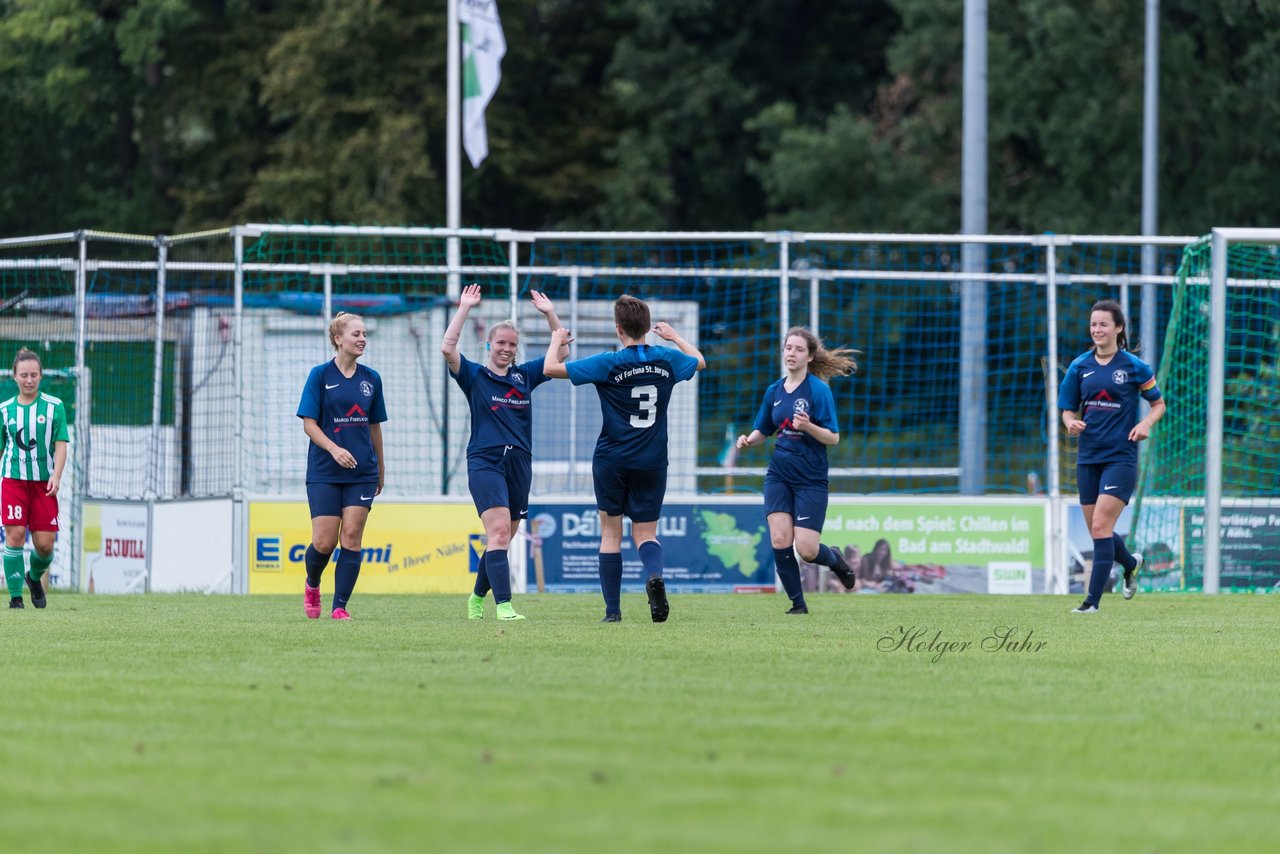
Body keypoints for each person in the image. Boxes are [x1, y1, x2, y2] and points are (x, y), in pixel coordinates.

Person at [543, 294, 705, 623]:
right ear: (647, 327)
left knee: (610, 534)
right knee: (645, 534)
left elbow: (549, 368)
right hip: (653, 459)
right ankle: (655, 575)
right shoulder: (667, 359)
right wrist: (674, 338)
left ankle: (613, 612)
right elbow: (699, 361)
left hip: (612, 459)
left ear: (618, 329)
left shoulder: (609, 362)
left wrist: (555, 339)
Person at [441, 284, 568, 621]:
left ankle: (476, 598)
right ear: (489, 345)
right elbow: (447, 347)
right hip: (485, 461)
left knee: (502, 538)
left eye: (512, 344)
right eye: (501, 343)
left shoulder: (525, 375)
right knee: (497, 533)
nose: (507, 349)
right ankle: (505, 606)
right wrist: (465, 307)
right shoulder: (474, 375)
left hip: (519, 463)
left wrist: (550, 314)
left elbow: (563, 350)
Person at [737, 327, 858, 614]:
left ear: (810, 355)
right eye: (788, 348)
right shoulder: (774, 391)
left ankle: (836, 560)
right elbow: (764, 430)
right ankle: (798, 605)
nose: (791, 353)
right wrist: (748, 440)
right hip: (779, 475)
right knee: (779, 539)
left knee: (806, 549)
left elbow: (833, 437)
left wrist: (808, 427)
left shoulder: (818, 390)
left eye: (798, 349)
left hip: (810, 479)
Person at [1059, 298, 1165, 613]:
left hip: (1121, 458)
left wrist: (1146, 423)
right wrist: (1070, 422)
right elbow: (1066, 410)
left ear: (1118, 328)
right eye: (1093, 324)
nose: (1097, 329)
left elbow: (1158, 404)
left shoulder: (1134, 366)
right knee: (1098, 530)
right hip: (1088, 457)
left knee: (1102, 526)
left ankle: (1091, 603)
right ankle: (1131, 563)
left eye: (1104, 324)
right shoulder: (1079, 366)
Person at [296, 312, 387, 620]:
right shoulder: (319, 376)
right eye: (355, 334)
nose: (362, 339)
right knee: (324, 541)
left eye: (364, 334)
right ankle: (312, 584)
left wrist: (381, 469)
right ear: (338, 339)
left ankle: (340, 607)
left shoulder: (371, 379)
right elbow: (309, 424)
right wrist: (334, 449)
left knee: (351, 536)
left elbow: (375, 428)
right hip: (324, 470)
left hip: (362, 473)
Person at [1, 349, 69, 609]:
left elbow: (61, 444)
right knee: (15, 535)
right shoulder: (4, 411)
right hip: (14, 481)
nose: (29, 380)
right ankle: (16, 598)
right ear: (14, 377)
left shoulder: (55, 407)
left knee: (44, 545)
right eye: (24, 375)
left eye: (33, 375)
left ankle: (32, 577)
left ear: (41, 376)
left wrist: (57, 475)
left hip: (44, 484)